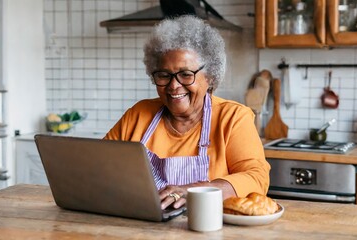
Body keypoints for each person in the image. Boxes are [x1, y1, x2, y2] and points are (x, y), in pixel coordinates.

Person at [104, 15, 270, 211]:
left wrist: (193, 191)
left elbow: (256, 178)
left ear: (210, 76)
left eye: (185, 74)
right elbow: (99, 166)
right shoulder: (138, 115)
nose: (174, 86)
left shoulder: (233, 118)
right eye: (164, 75)